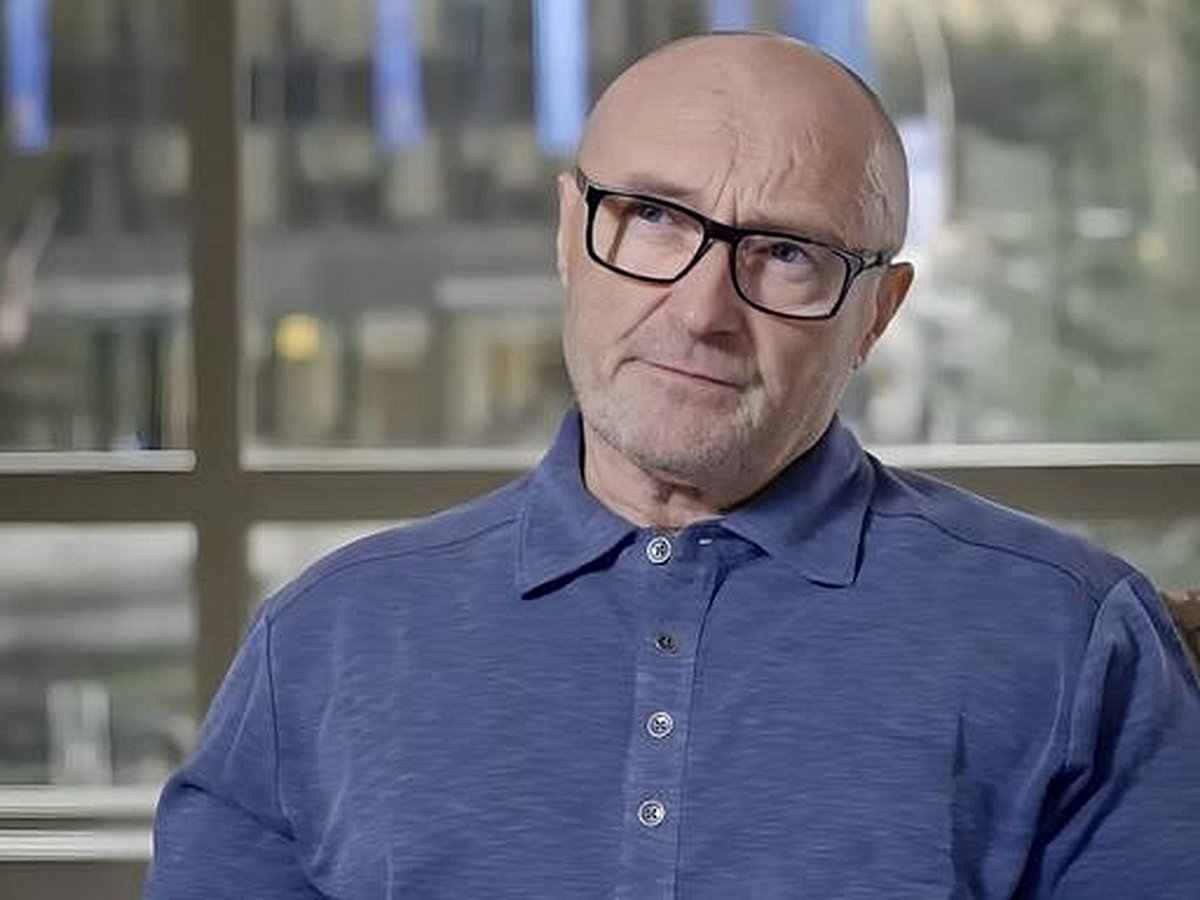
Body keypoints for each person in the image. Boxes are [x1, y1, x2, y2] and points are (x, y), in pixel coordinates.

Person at [144, 32, 1200, 899]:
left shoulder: (1070, 638)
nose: (701, 312)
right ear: (568, 233)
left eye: (786, 253)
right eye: (652, 218)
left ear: (877, 313)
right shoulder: (325, 641)